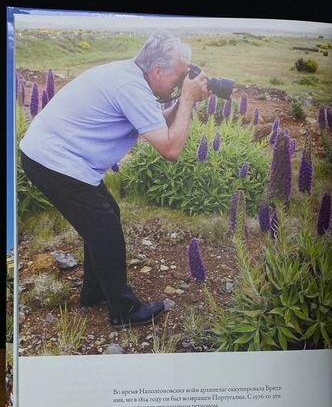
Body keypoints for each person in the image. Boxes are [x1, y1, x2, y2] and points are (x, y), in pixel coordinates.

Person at [20, 31, 209, 329]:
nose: (179, 84)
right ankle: (124, 311)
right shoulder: (129, 87)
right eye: (178, 76)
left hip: (57, 156)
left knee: (107, 218)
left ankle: (95, 293)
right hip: (53, 159)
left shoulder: (132, 77)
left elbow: (157, 123)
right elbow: (171, 149)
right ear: (157, 70)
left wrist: (184, 101)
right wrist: (186, 100)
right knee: (103, 225)